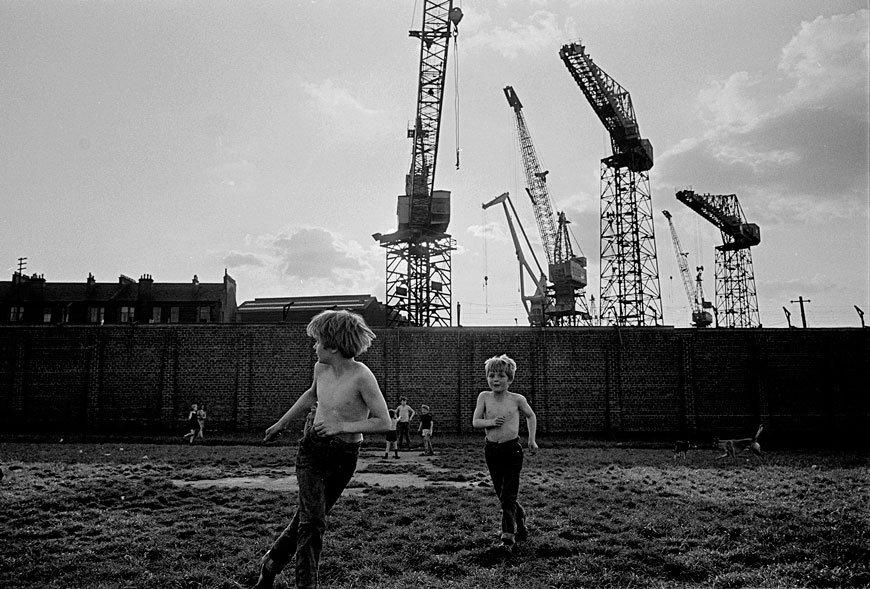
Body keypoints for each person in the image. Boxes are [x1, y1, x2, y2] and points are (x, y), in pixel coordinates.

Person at [252, 310, 391, 589]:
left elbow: (384, 422)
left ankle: (271, 563)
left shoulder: (362, 377)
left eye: (317, 342)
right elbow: (312, 394)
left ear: (334, 347)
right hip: (312, 450)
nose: (314, 346)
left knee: (306, 521)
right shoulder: (321, 369)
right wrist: (281, 423)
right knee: (312, 523)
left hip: (343, 457)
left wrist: (342, 426)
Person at [472, 354, 538, 555]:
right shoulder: (484, 397)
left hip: (512, 451)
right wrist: (491, 422)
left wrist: (531, 439)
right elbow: (476, 422)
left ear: (509, 379)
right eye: (491, 375)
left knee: (508, 494)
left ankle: (508, 537)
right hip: (492, 451)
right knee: (502, 494)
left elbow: (531, 415)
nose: (495, 380)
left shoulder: (517, 399)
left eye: (500, 376)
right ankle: (519, 516)